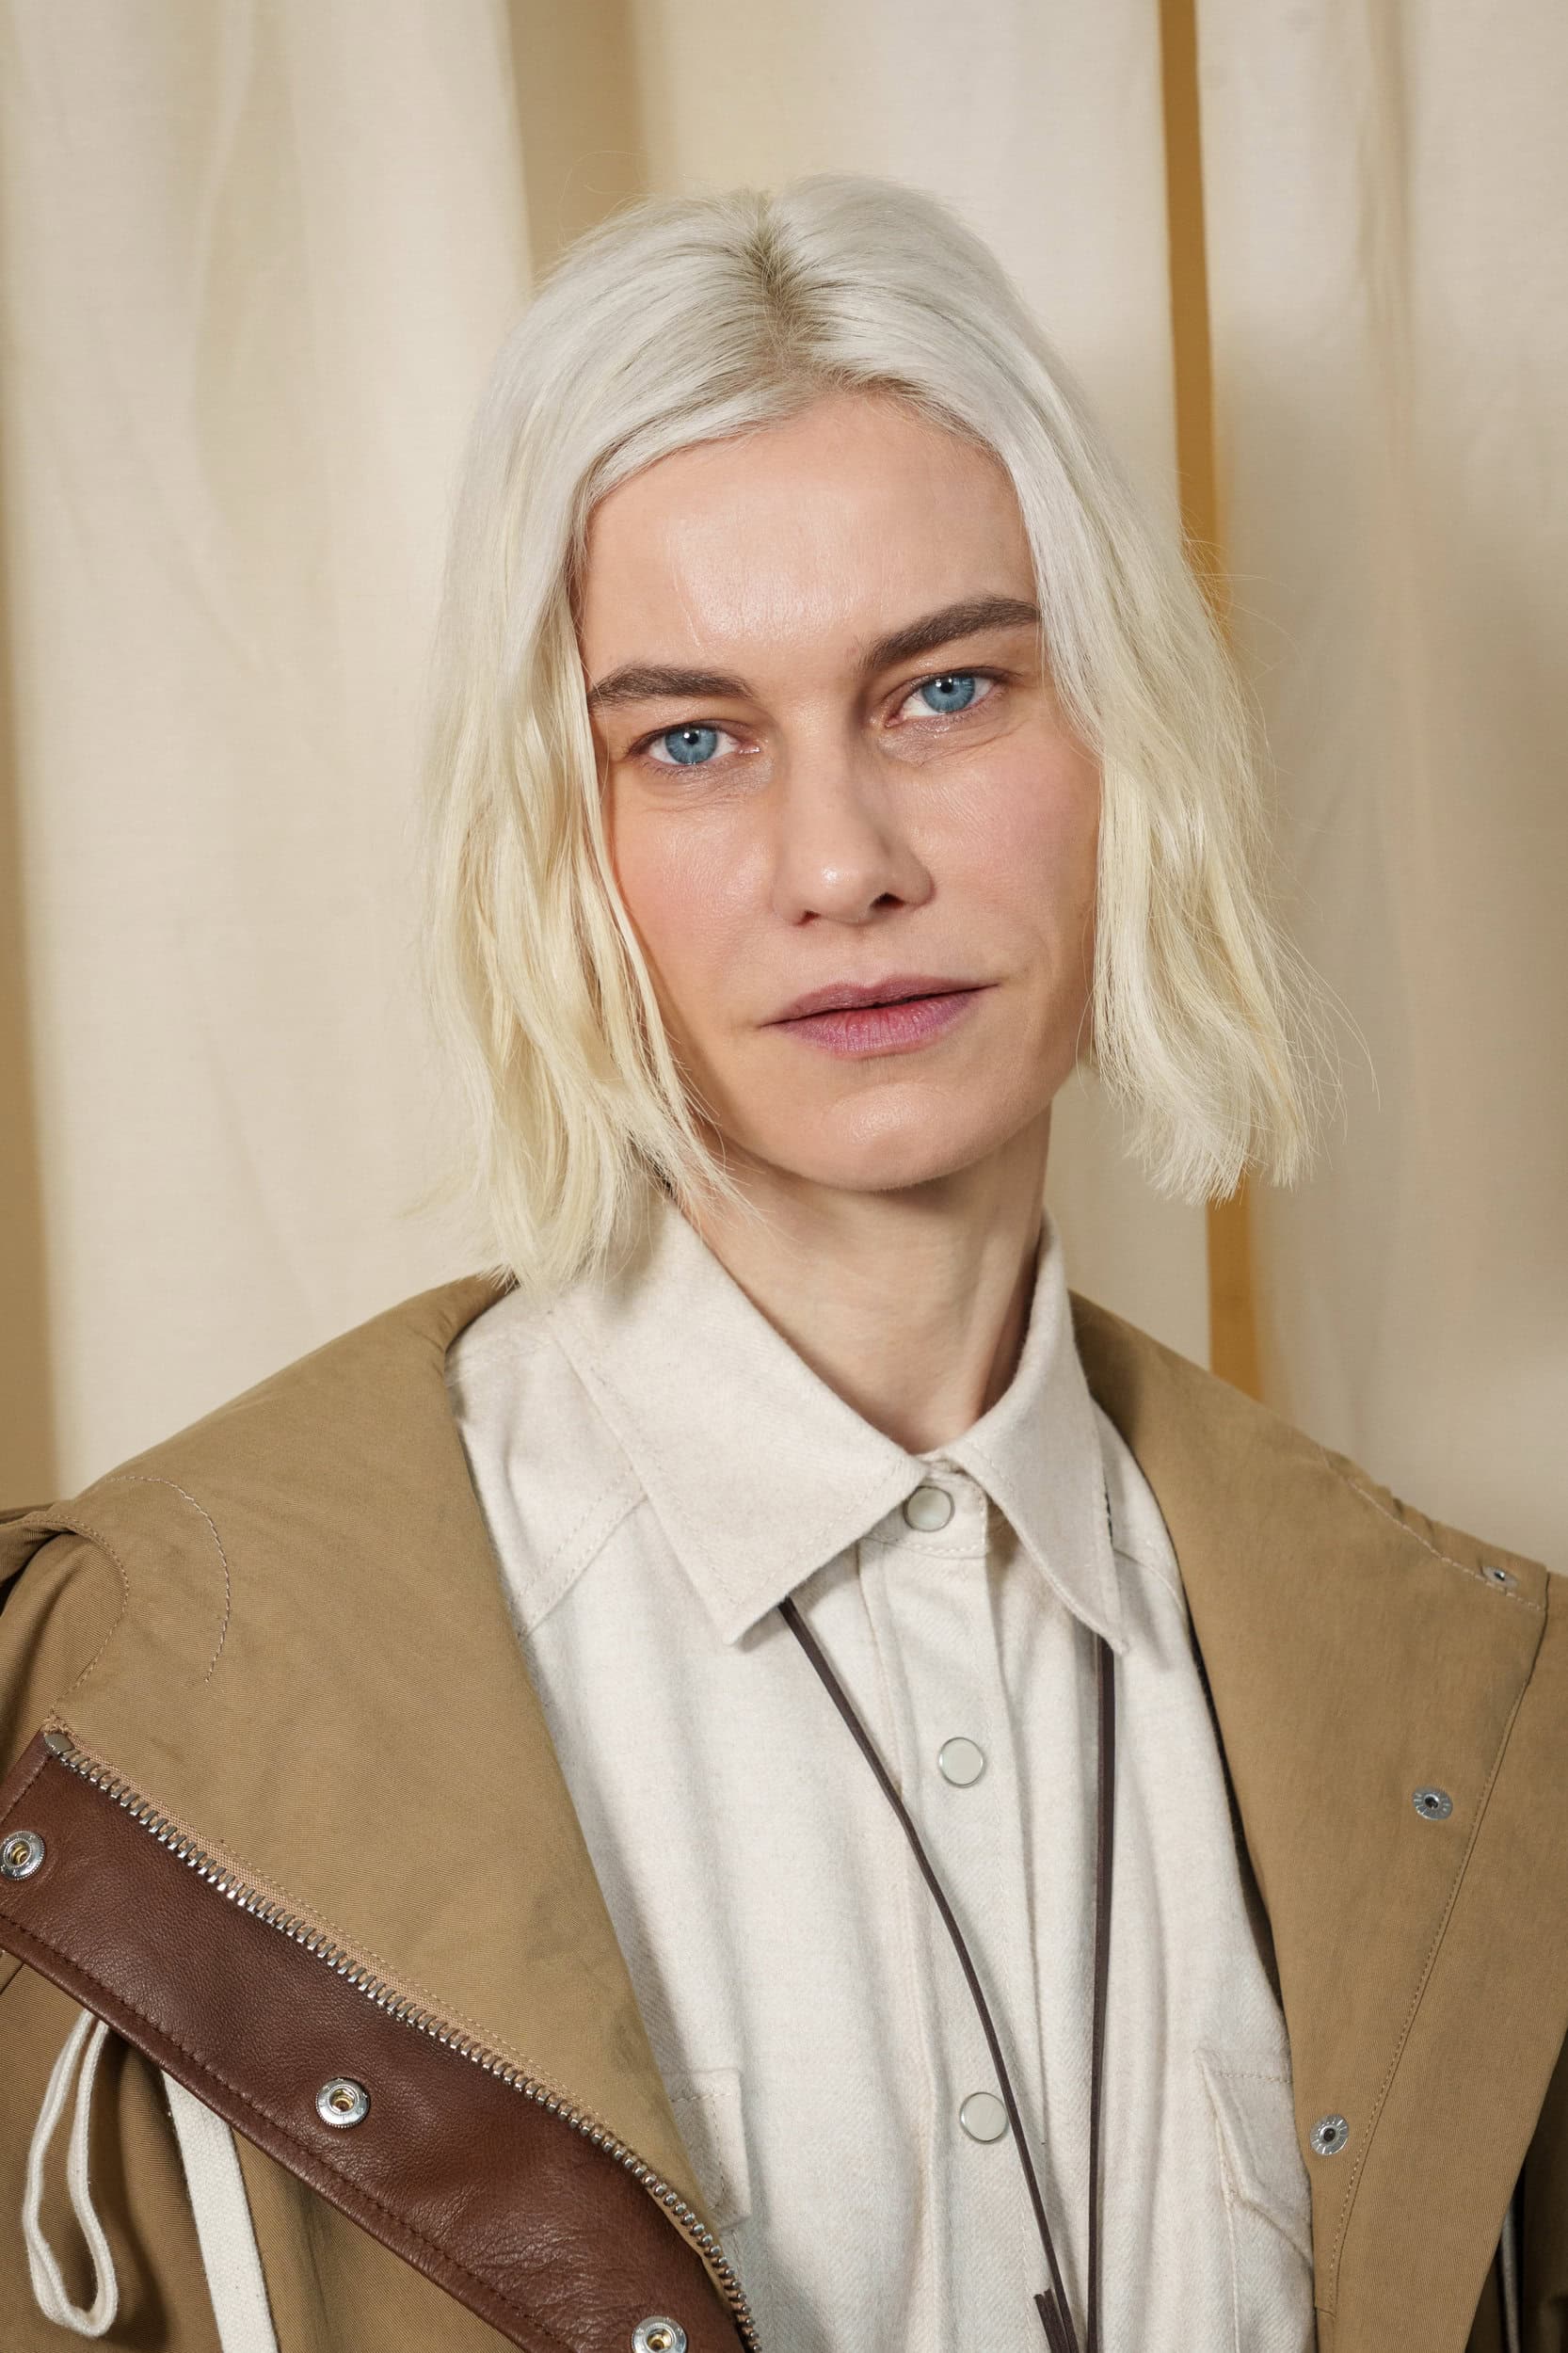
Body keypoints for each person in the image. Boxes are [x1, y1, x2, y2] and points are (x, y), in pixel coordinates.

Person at [0, 174, 1560, 2353]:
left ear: (1120, 737)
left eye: (944, 689)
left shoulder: (1463, 1693)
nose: (841, 863)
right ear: (558, 837)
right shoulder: (130, 1699)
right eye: (691, 739)